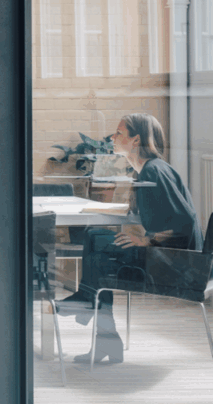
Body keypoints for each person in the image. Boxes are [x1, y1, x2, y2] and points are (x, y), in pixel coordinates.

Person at [58, 113, 203, 365]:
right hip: (167, 257)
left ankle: (88, 306)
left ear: (136, 140)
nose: (112, 137)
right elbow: (157, 211)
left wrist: (147, 241)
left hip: (177, 264)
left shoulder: (154, 171)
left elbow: (186, 222)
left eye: (119, 133)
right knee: (95, 236)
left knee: (99, 257)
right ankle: (98, 326)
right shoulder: (147, 170)